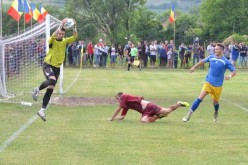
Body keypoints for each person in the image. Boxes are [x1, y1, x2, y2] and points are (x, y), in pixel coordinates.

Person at [32, 18, 78, 121]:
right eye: (59, 34)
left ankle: (42, 110)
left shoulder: (65, 41)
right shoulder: (52, 40)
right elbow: (54, 34)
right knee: (52, 80)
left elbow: (75, 37)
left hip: (57, 68)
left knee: (50, 89)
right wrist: (61, 24)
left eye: (62, 34)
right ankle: (37, 89)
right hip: (48, 64)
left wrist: (74, 26)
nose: (60, 35)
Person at [182, 43, 236, 122]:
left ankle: (216, 112)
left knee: (215, 103)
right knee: (199, 98)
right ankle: (188, 116)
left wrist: (230, 76)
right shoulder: (211, 57)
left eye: (217, 49)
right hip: (208, 82)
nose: (215, 50)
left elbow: (234, 71)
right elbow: (202, 62)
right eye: (215, 49)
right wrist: (194, 67)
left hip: (218, 86)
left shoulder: (225, 61)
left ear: (221, 50)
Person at [110, 92, 190, 123]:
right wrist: (114, 119)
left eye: (117, 99)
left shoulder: (124, 96)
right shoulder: (126, 105)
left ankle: (178, 104)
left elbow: (118, 108)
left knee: (166, 111)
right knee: (144, 120)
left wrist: (112, 118)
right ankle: (159, 115)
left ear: (120, 97)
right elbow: (122, 117)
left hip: (149, 106)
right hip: (145, 111)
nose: (117, 101)